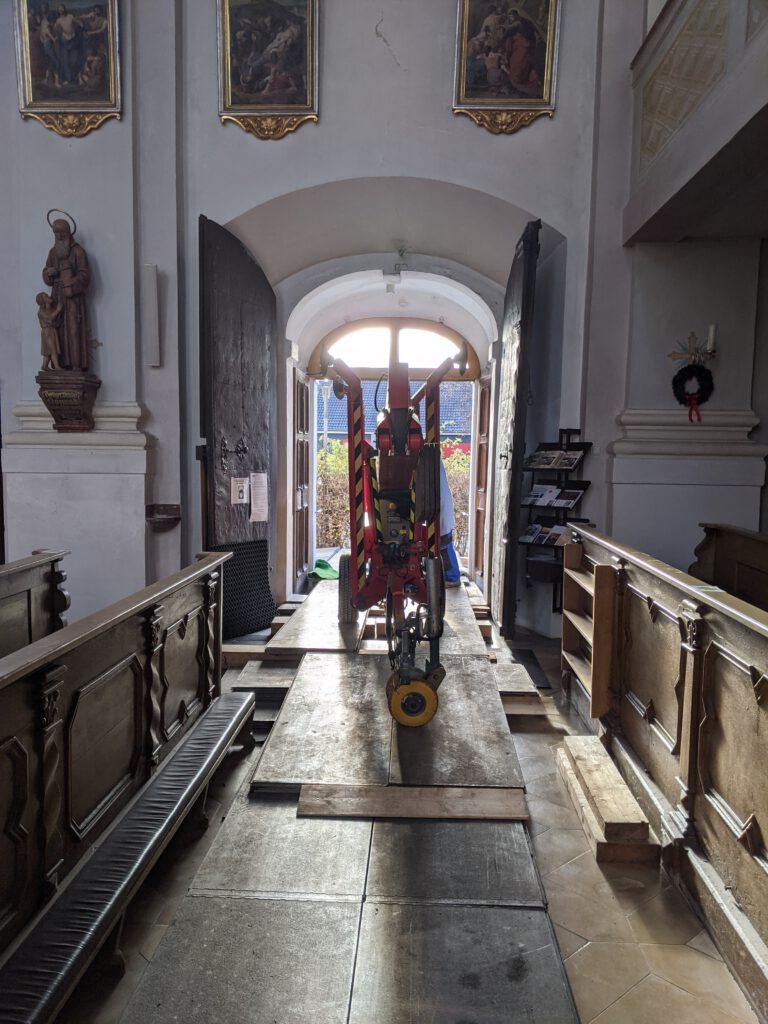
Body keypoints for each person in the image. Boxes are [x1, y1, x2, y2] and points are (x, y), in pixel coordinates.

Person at [42, 218, 91, 371]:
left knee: (73, 329)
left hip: (72, 298)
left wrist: (70, 283)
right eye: (56, 233)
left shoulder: (78, 251)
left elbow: (85, 275)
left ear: (69, 232)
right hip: (56, 296)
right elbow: (46, 273)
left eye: (62, 232)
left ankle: (76, 366)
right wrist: (48, 273)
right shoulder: (53, 252)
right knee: (57, 330)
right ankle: (60, 365)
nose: (59, 236)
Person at [439, 457, 461, 588]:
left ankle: (453, 578)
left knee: (444, 545)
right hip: (442, 507)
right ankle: (451, 575)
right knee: (445, 545)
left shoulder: (430, 459)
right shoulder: (434, 459)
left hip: (441, 509)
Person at [36, 292, 63, 371]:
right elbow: (50, 317)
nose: (49, 296)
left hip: (51, 330)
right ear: (42, 301)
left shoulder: (49, 309)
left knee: (48, 349)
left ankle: (44, 365)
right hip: (47, 331)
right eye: (46, 296)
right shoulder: (41, 312)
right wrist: (58, 310)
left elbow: (54, 318)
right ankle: (57, 366)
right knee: (52, 349)